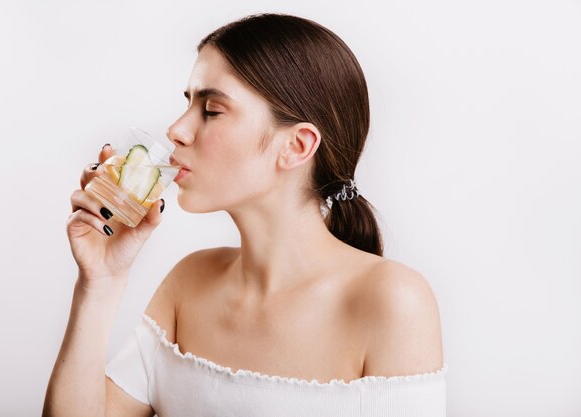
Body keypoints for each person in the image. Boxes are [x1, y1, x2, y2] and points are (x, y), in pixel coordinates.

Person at [43, 13, 446, 417]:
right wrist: (100, 282)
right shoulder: (189, 282)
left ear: (297, 146)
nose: (176, 130)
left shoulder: (393, 302)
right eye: (188, 103)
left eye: (212, 110)